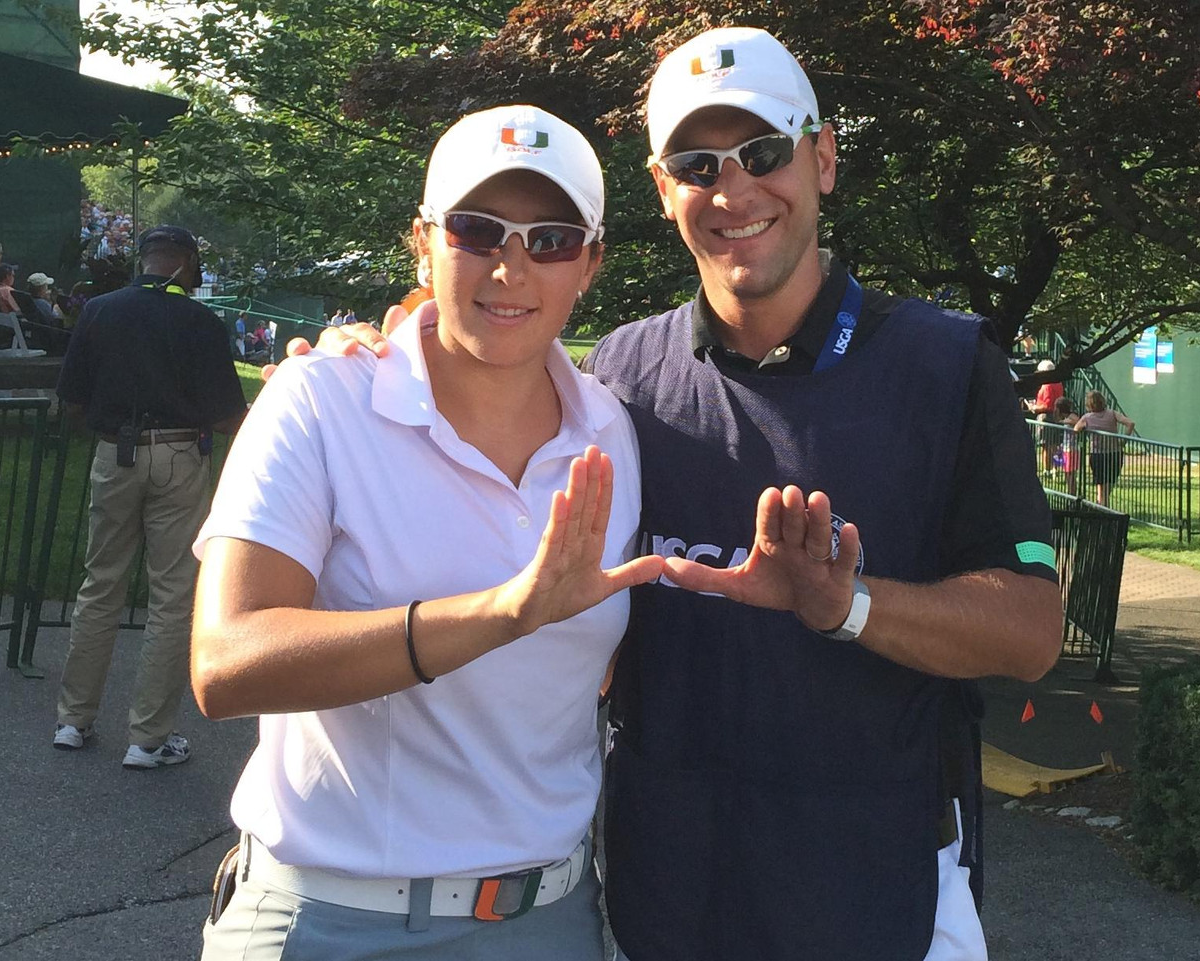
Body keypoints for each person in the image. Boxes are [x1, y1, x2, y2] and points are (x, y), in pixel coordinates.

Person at [292, 27, 1062, 961]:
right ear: (664, 191)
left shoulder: (945, 363)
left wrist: (845, 605)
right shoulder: (621, 375)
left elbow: (1029, 632)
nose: (735, 192)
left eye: (766, 153)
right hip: (667, 890)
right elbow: (487, 369)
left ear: (823, 160)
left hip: (876, 886)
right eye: (699, 164)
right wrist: (398, 339)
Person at [191, 104, 657, 960]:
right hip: (332, 919)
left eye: (549, 239)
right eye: (478, 231)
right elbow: (224, 664)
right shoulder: (323, 399)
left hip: (545, 917)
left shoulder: (611, 431)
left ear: (589, 263)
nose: (511, 268)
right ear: (424, 241)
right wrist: (500, 612)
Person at [51, 224, 247, 769]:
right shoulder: (200, 321)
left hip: (115, 452)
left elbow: (71, 399)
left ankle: (73, 719)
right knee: (171, 595)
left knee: (100, 583)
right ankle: (148, 738)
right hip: (180, 455)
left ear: (144, 259)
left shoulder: (99, 311)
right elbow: (228, 411)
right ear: (186, 263)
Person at [1076, 389, 1135, 507]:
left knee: (1101, 484)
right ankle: (1102, 506)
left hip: (1098, 454)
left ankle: (1102, 507)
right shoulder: (1112, 413)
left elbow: (1076, 429)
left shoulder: (1087, 417)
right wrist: (1123, 440)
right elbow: (1130, 423)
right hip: (1114, 453)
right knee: (1108, 484)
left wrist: (1085, 429)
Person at [1027, 359, 1064, 474]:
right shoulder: (1059, 383)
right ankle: (1057, 468)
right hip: (1057, 416)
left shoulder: (1047, 385)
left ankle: (1047, 470)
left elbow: (1047, 405)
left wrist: (1034, 408)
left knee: (1046, 445)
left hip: (1046, 417)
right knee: (1056, 444)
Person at [1053, 395, 1082, 498]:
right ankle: (1070, 494)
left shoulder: (1071, 416)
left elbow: (1078, 421)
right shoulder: (1066, 417)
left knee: (1071, 474)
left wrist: (1064, 422)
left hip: (1072, 449)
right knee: (1067, 473)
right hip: (1066, 448)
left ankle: (1072, 495)